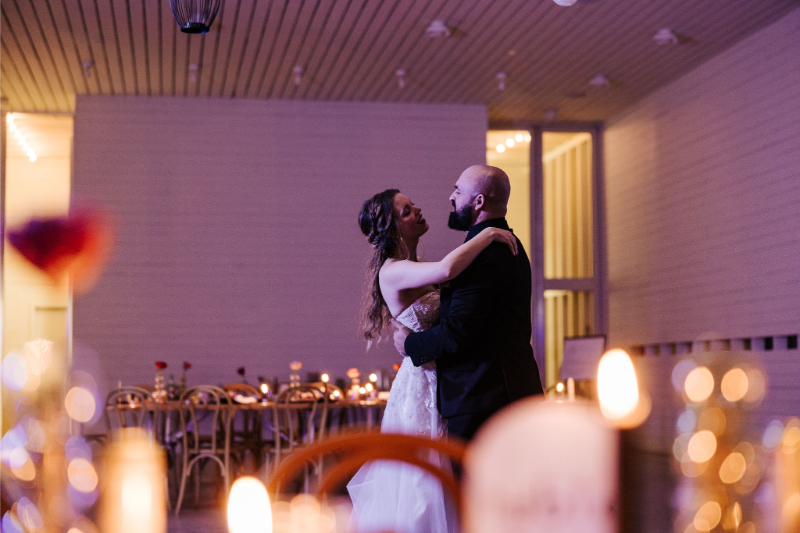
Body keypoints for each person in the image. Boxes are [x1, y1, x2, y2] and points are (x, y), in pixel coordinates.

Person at [347, 188, 518, 533]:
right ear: (393, 227)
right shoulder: (392, 271)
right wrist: (488, 234)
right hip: (420, 383)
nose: (418, 210)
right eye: (407, 210)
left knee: (449, 468)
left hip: (445, 374)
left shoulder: (418, 267)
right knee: (423, 476)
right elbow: (446, 269)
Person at [394, 165, 544, 443]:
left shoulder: (485, 252)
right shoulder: (504, 244)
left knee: (474, 487)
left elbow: (458, 332)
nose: (451, 197)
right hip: (505, 391)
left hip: (486, 399)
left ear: (478, 201)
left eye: (458, 191)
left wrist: (409, 344)